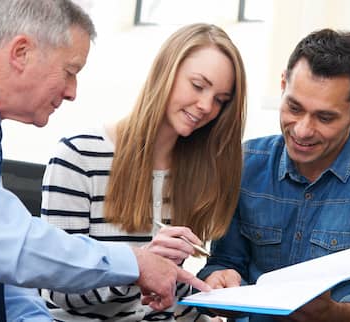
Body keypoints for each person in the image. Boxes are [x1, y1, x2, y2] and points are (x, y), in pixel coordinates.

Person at [0, 1, 209, 321]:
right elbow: (9, 247)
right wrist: (136, 263)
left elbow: (3, 278)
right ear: (21, 52)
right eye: (70, 71)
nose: (73, 92)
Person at [197, 28, 350, 322]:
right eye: (294, 107)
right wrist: (217, 280)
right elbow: (224, 262)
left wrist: (335, 315)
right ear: (283, 84)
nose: (302, 130)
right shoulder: (244, 164)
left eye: (325, 117)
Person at [38, 22, 247, 321]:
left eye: (220, 100)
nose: (205, 106)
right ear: (166, 72)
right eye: (198, 86)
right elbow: (58, 291)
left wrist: (204, 307)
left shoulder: (195, 174)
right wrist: (137, 266)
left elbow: (165, 297)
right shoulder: (78, 157)